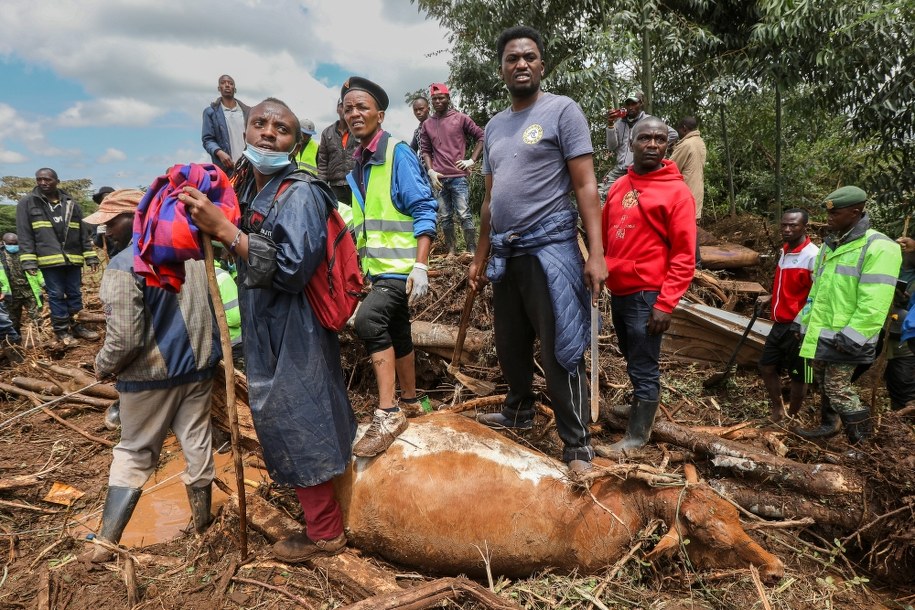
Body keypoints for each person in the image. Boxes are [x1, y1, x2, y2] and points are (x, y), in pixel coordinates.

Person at [182, 97, 356, 562]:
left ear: (295, 144)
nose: (267, 133)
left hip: (295, 326)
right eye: (259, 124)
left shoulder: (298, 192)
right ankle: (325, 511)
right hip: (265, 323)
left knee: (300, 414)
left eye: (281, 129)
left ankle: (325, 532)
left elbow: (294, 267)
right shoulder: (245, 189)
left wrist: (227, 232)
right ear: (245, 132)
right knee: (288, 411)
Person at [470, 26, 608, 474]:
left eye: (529, 56)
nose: (521, 64)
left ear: (542, 65)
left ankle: (576, 443)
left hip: (551, 248)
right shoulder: (493, 125)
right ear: (502, 69)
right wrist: (479, 256)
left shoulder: (562, 111)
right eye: (512, 58)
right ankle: (518, 411)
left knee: (560, 347)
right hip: (507, 255)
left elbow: (586, 185)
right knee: (510, 342)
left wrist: (597, 253)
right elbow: (490, 200)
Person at [81, 189, 221, 563]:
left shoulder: (124, 265)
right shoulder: (192, 253)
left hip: (148, 378)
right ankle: (203, 526)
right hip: (199, 371)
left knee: (134, 453)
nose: (106, 231)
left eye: (112, 222)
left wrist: (102, 366)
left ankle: (105, 544)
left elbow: (123, 338)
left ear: (136, 217)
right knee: (197, 444)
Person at [341, 76, 438, 457]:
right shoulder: (361, 162)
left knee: (368, 322)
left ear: (379, 114)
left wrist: (421, 265)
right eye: (348, 108)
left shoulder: (396, 153)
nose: (354, 113)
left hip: (402, 270)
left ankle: (389, 412)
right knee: (398, 329)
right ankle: (412, 400)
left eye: (361, 107)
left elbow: (423, 207)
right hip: (381, 269)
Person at [602, 117, 696, 452]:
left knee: (644, 363)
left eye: (659, 139)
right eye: (645, 138)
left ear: (667, 145)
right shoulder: (619, 186)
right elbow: (605, 235)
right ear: (632, 143)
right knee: (632, 355)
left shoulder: (677, 192)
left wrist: (665, 302)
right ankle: (641, 409)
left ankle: (637, 436)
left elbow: (685, 255)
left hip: (648, 294)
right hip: (620, 290)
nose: (653, 144)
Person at [795, 186, 901, 444]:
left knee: (837, 388)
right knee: (823, 381)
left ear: (855, 212)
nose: (830, 218)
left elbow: (875, 301)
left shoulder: (879, 246)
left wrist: (854, 336)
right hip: (822, 332)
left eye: (836, 213)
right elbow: (817, 292)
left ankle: (864, 444)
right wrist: (802, 324)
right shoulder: (831, 245)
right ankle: (829, 426)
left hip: (850, 337)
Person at [15, 168, 99, 345]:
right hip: (49, 260)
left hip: (73, 258)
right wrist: (28, 260)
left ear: (57, 181)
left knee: (75, 293)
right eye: (39, 179)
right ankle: (61, 331)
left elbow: (83, 232)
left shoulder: (70, 203)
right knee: (56, 295)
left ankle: (77, 325)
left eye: (47, 179)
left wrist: (90, 256)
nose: (43, 183)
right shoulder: (27, 203)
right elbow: (25, 234)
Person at [756, 209, 818, 422]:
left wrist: (804, 322)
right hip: (780, 323)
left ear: (804, 227)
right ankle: (778, 410)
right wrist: (769, 297)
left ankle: (794, 415)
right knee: (766, 365)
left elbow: (818, 294)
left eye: (793, 225)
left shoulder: (813, 255)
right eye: (784, 225)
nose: (787, 229)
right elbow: (789, 287)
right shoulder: (785, 250)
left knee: (801, 374)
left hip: (800, 326)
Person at [420, 82, 485, 255]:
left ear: (448, 98)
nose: (438, 101)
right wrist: (431, 171)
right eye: (434, 99)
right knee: (445, 217)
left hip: (458, 176)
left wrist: (471, 160)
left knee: (464, 214)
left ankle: (471, 249)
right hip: (439, 178)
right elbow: (425, 150)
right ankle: (451, 250)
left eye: (441, 98)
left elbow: (481, 136)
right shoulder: (427, 124)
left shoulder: (460, 118)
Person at [601, 92, 678, 192]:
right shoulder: (619, 123)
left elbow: (673, 134)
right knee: (601, 192)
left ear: (641, 104)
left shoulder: (649, 121)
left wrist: (653, 144)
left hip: (640, 169)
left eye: (634, 104)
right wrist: (611, 124)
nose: (630, 107)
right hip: (621, 169)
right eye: (628, 104)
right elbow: (611, 146)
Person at [202, 74, 251, 176]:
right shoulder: (211, 112)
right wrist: (219, 152)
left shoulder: (248, 112)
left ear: (235, 89)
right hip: (227, 168)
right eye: (223, 83)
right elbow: (207, 139)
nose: (227, 85)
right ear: (219, 88)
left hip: (249, 166)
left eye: (230, 83)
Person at [0, 233, 43, 335]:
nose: (13, 246)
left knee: (37, 317)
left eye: (16, 243)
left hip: (29, 291)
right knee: (13, 320)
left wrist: (43, 283)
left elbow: (37, 271)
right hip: (11, 294)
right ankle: (16, 342)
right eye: (11, 244)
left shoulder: (25, 254)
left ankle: (43, 339)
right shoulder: (1, 256)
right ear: (4, 243)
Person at [318, 99, 359, 203]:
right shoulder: (327, 133)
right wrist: (321, 187)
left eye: (348, 106)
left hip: (357, 184)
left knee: (359, 217)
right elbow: (322, 163)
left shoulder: (359, 130)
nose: (345, 108)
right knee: (338, 217)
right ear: (337, 109)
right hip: (335, 186)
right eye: (342, 105)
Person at [669, 116, 707, 220]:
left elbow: (671, 168)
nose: (679, 134)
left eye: (679, 130)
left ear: (684, 128)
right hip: (696, 193)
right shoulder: (700, 142)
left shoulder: (686, 144)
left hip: (686, 195)